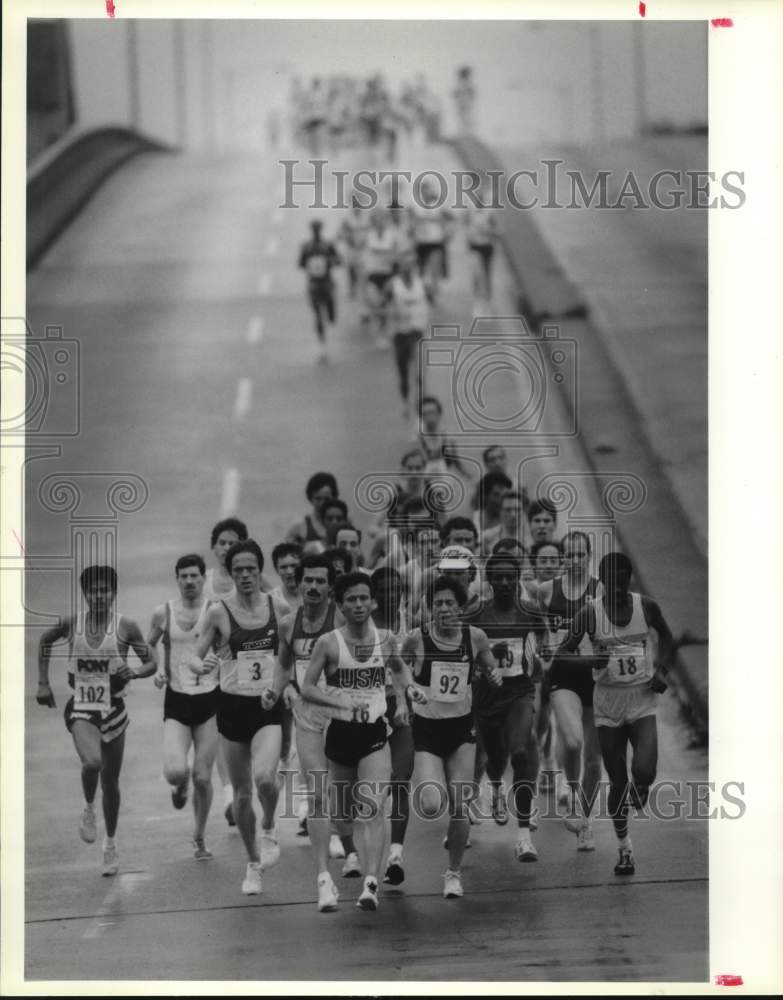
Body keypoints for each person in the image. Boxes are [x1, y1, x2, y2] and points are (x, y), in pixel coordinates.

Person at [301, 572, 425, 911]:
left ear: (372, 602)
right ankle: (326, 880)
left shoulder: (384, 640)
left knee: (371, 807)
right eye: (351, 600)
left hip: (374, 735)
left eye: (363, 599)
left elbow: (399, 669)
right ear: (340, 605)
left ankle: (371, 882)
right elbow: (308, 688)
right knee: (342, 815)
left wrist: (410, 688)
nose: (358, 605)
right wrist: (340, 703)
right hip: (339, 736)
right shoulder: (329, 643)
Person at [557, 552, 674, 875]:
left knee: (645, 771)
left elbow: (667, 634)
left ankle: (644, 785)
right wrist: (588, 662)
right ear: (604, 581)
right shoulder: (590, 614)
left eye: (624, 582)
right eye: (613, 583)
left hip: (641, 699)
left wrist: (662, 670)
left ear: (629, 579)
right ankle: (624, 849)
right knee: (618, 782)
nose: (619, 589)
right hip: (607, 704)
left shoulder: (645, 607)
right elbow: (561, 653)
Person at [36, 565, 157, 876]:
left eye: (105, 590)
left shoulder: (125, 627)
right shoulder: (72, 624)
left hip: (114, 710)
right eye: (94, 590)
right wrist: (43, 682)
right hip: (82, 708)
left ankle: (111, 845)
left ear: (114, 593)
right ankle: (89, 808)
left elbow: (151, 662)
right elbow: (44, 641)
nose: (100, 595)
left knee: (112, 784)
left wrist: (137, 672)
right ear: (85, 593)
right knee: (92, 763)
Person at [189, 540, 289, 895]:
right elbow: (194, 656)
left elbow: (289, 657)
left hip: (266, 707)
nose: (245, 575)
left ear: (261, 571)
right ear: (229, 574)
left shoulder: (278, 608)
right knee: (243, 794)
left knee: (265, 778)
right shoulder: (218, 611)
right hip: (231, 709)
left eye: (251, 569)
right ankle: (252, 864)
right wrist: (205, 663)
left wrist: (281, 686)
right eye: (238, 570)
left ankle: (270, 828)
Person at [401, 576, 502, 898]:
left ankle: (453, 872)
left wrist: (494, 673)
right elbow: (397, 671)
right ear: (430, 609)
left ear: (461, 608)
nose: (444, 609)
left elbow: (490, 665)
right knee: (431, 804)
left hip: (461, 731)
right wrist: (405, 696)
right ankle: (444, 814)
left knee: (460, 805)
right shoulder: (416, 639)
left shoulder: (475, 638)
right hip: (427, 732)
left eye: (450, 603)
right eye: (438, 604)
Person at [276, 554, 357, 912]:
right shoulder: (287, 624)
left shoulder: (342, 620)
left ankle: (354, 849)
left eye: (320, 581)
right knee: (318, 795)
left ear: (330, 585)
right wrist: (280, 689)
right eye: (306, 580)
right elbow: (282, 666)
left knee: (349, 793)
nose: (311, 587)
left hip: (344, 714)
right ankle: (324, 879)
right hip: (308, 716)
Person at [465, 553, 546, 861]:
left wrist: (537, 662)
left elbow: (543, 641)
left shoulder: (531, 612)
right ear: (488, 580)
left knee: (521, 752)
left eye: (508, 577)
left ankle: (524, 836)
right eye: (496, 577)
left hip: (519, 693)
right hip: (486, 698)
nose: (502, 582)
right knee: (495, 761)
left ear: (516, 579)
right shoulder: (477, 615)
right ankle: (497, 784)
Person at [148, 554, 218, 860]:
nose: (189, 581)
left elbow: (231, 644)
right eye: (183, 576)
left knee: (203, 776)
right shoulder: (162, 612)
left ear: (204, 579)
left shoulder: (215, 611)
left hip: (211, 700)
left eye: (194, 576)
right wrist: (159, 667)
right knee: (177, 771)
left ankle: (199, 836)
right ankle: (179, 786)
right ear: (177, 579)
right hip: (176, 699)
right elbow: (150, 643)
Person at [538, 532, 602, 850]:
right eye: (570, 555)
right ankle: (570, 788)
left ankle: (585, 821)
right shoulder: (547, 591)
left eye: (581, 555)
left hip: (596, 678)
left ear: (589, 556)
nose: (575, 561)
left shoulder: (600, 590)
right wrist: (539, 653)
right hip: (562, 676)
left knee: (594, 758)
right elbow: (533, 628)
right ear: (564, 558)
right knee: (574, 741)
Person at [370, 568, 415, 886]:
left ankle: (395, 855)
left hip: (401, 712)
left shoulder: (410, 625)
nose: (390, 595)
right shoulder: (361, 628)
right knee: (372, 792)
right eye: (383, 590)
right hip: (369, 713)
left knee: (401, 780)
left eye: (395, 589)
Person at [203, 516, 249, 828]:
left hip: (245, 662)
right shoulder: (202, 579)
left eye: (233, 543)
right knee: (220, 729)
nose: (227, 548)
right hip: (212, 661)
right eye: (222, 543)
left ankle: (243, 784)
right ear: (213, 547)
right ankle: (230, 791)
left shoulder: (249, 579)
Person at [388, 253, 429, 420]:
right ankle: (405, 401)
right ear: (399, 268)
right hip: (400, 334)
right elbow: (382, 304)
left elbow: (432, 300)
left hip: (417, 332)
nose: (407, 268)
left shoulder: (423, 284)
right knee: (403, 373)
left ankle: (421, 406)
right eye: (404, 265)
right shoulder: (392, 285)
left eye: (410, 265)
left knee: (419, 373)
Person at [299, 220, 341, 363]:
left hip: (327, 282)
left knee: (330, 313)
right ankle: (322, 345)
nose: (316, 232)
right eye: (314, 229)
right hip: (314, 284)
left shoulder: (328, 246)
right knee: (318, 316)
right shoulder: (306, 247)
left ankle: (331, 311)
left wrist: (329, 261)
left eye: (318, 229)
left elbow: (339, 260)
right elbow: (301, 263)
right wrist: (312, 265)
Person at [418, 396, 474, 480]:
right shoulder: (417, 440)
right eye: (425, 414)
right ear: (421, 417)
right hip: (426, 482)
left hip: (445, 481)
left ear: (439, 414)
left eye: (432, 412)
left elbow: (456, 462)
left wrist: (467, 475)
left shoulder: (448, 438)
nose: (429, 417)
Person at [286, 472, 340, 548]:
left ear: (334, 498)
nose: (322, 504)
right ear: (310, 498)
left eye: (327, 499)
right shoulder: (299, 526)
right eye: (318, 499)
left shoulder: (343, 525)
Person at [482, 490, 525, 556]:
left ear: (523, 511)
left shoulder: (532, 536)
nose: (513, 514)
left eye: (517, 509)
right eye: (508, 510)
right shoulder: (487, 537)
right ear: (500, 511)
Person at [472, 469, 512, 536]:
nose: (501, 500)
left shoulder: (513, 522)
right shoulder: (474, 519)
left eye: (505, 495)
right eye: (496, 495)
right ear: (485, 496)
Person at [269, 542, 303, 613]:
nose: (289, 571)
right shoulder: (270, 600)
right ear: (276, 570)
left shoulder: (314, 596)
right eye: (284, 567)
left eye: (294, 566)